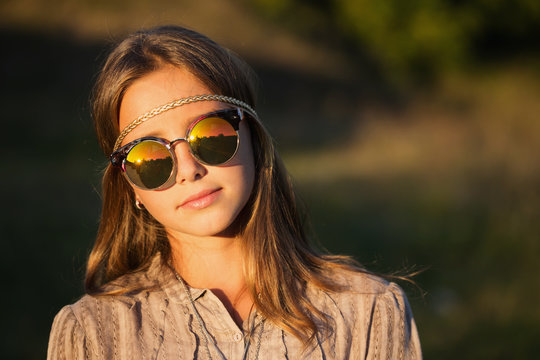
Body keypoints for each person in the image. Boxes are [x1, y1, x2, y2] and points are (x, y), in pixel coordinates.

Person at [47, 25, 421, 359]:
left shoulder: (368, 313)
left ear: (253, 140)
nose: (189, 170)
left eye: (210, 136)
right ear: (130, 187)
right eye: (151, 157)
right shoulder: (93, 334)